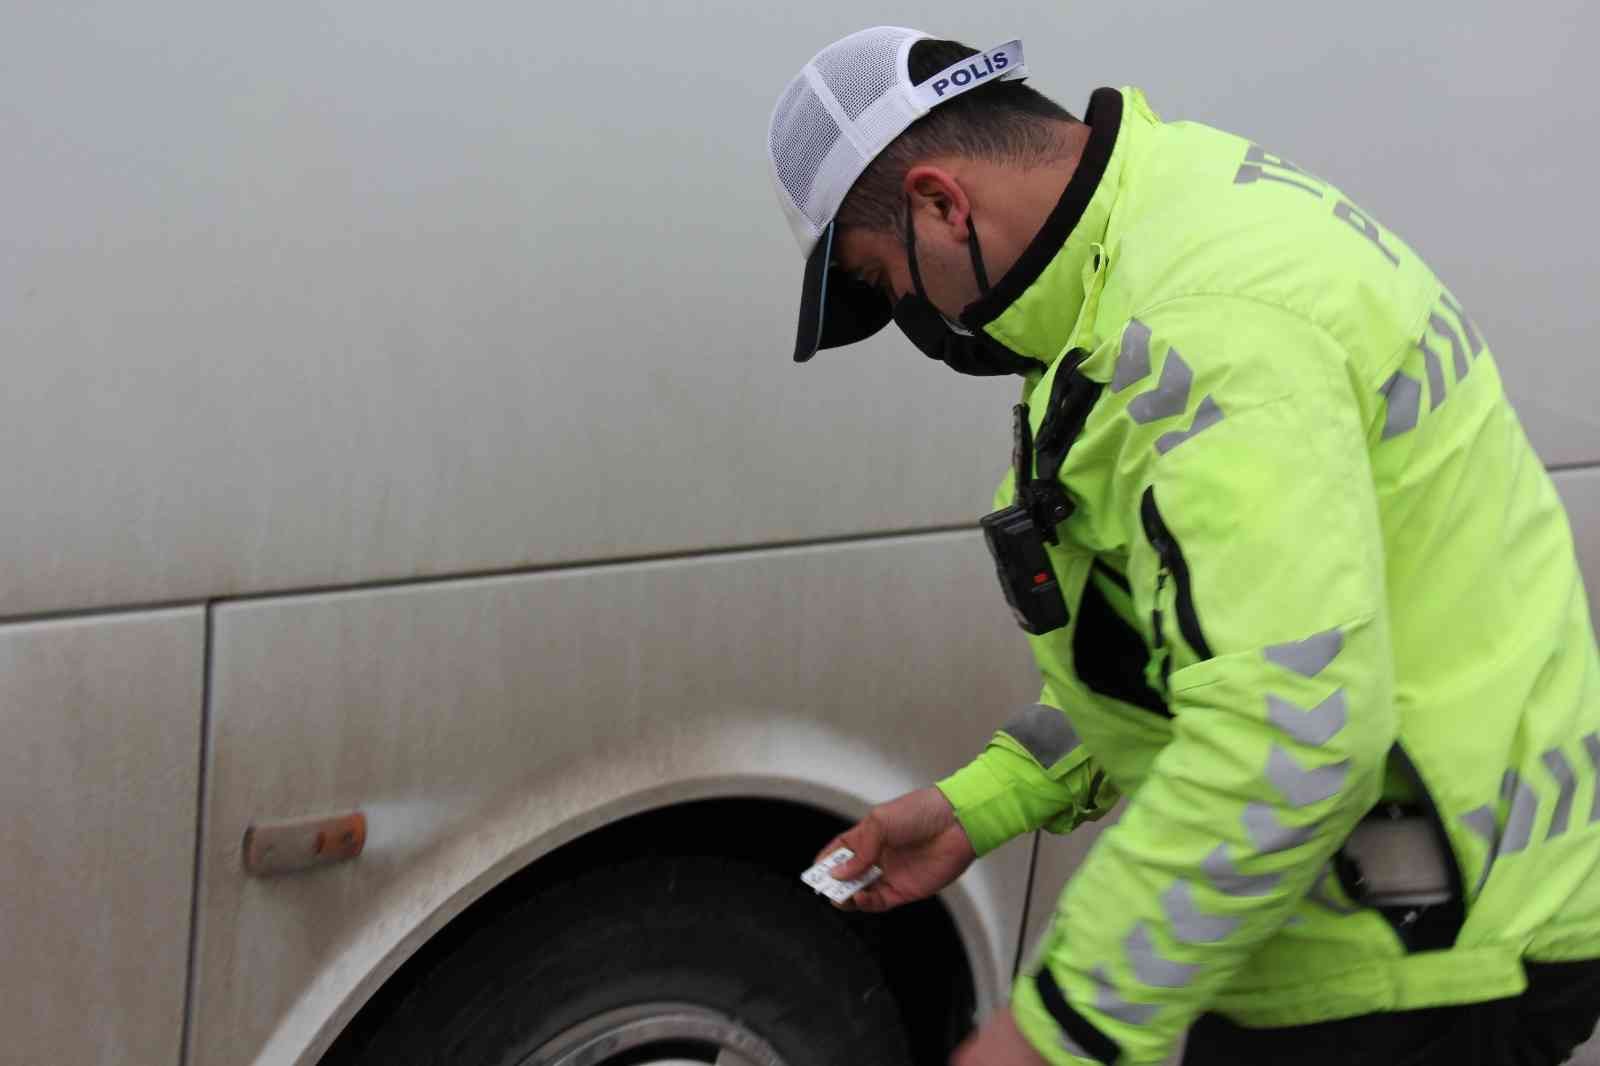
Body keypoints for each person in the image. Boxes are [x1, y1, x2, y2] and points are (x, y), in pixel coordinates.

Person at [765, 26, 1600, 1066]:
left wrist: (1041, 1038)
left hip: (1407, 969)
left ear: (941, 204)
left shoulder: (1198, 325)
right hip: (1404, 920)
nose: (907, 317)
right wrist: (973, 807)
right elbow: (1195, 651)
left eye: (883, 283)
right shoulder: (1168, 215)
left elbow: (1287, 733)